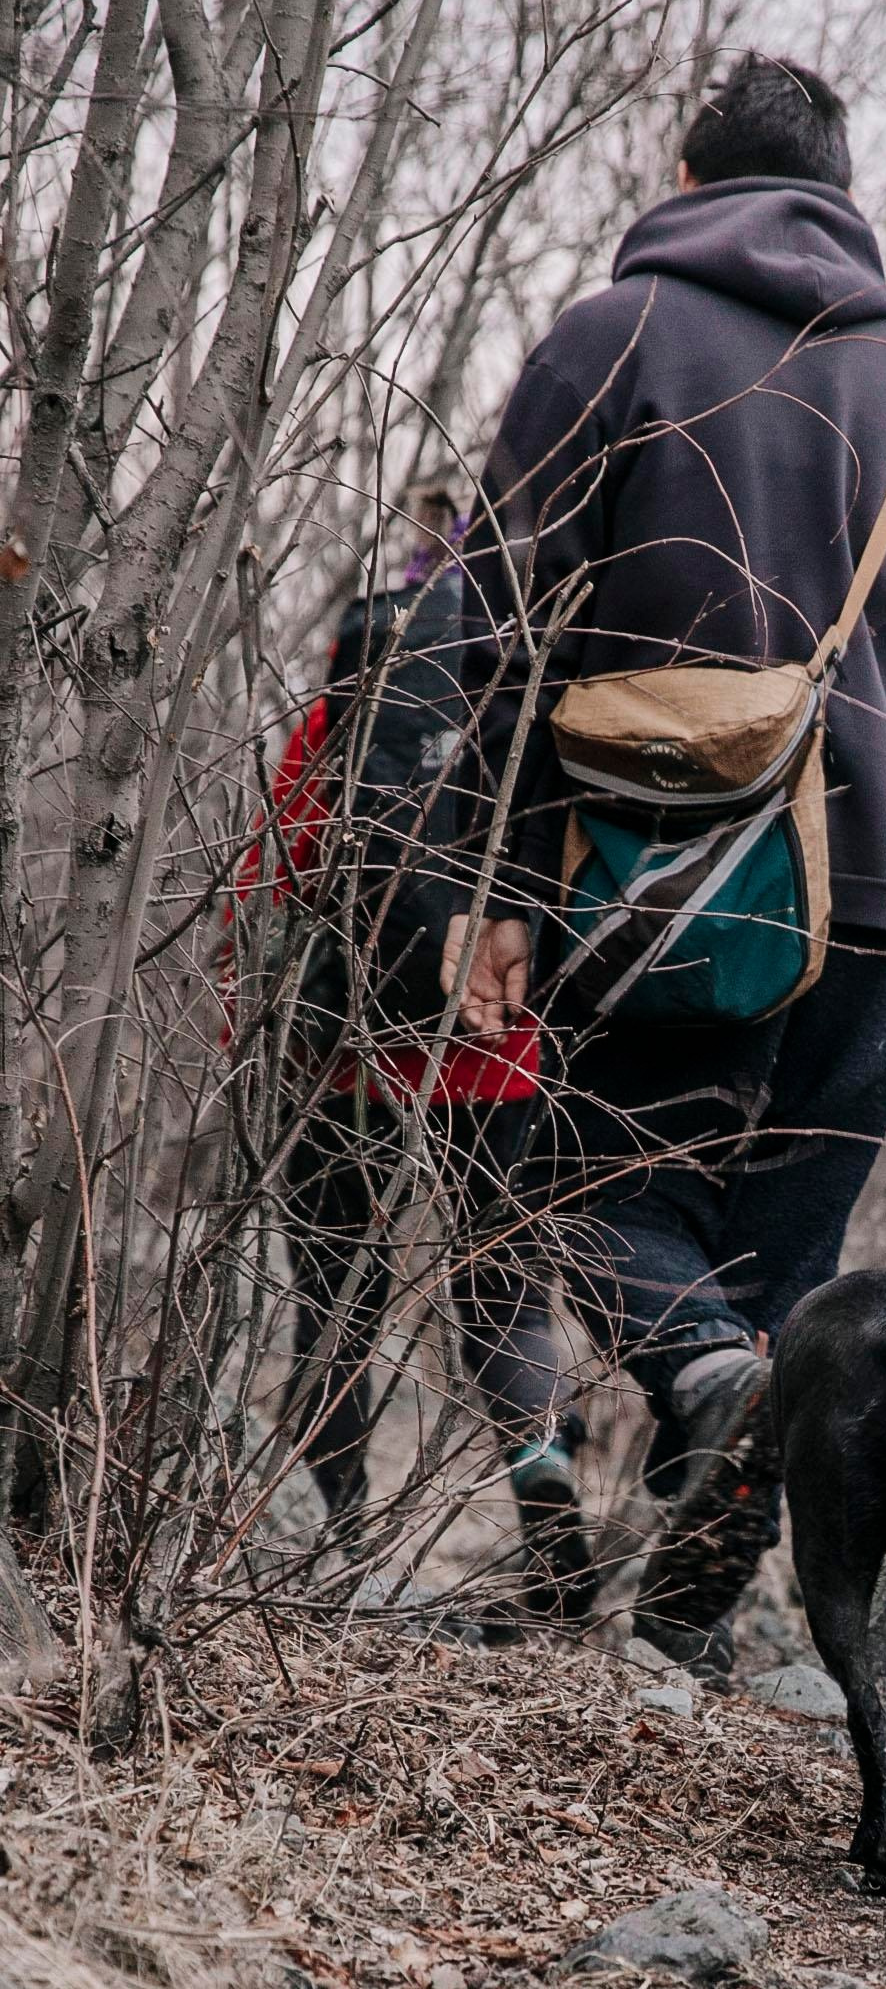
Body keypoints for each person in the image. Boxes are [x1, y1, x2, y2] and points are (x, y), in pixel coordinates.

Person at [441, 54, 886, 1674]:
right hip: (870, 895)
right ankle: (684, 1640)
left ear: (688, 179)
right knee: (783, 1279)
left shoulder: (610, 336)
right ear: (841, 198)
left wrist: (493, 883)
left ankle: (699, 1441)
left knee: (570, 1186)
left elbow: (499, 626)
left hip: (646, 875)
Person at [246, 483, 594, 1632]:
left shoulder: (360, 669)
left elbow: (285, 851)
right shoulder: (546, 674)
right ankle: (551, 1519)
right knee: (503, 1299)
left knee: (333, 1300)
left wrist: (257, 1019)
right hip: (500, 1045)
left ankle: (336, 1547)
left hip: (346, 1045)